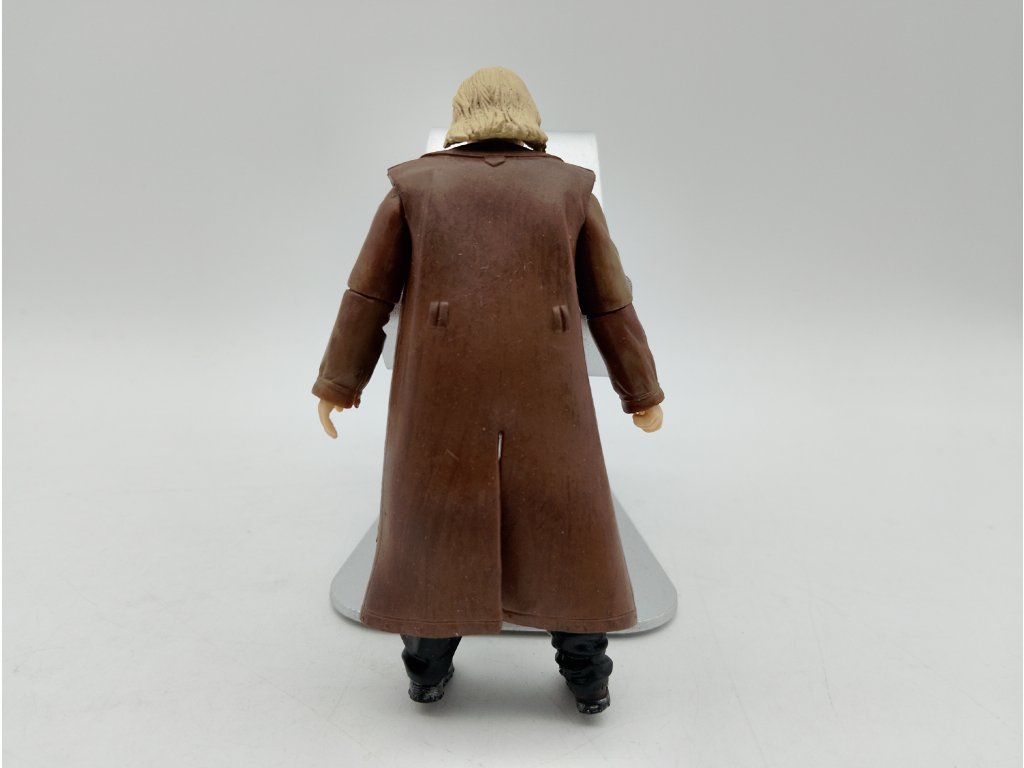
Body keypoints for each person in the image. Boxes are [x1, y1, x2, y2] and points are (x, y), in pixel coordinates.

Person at [313, 67, 664, 714]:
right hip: (549, 387)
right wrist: (641, 392)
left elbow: (367, 296)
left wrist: (339, 381)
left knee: (434, 518)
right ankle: (587, 673)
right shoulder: (570, 188)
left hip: (441, 386)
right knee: (568, 520)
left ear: (462, 113)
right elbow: (610, 302)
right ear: (527, 112)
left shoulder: (414, 187)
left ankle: (426, 666)